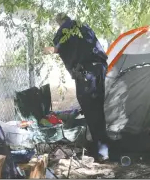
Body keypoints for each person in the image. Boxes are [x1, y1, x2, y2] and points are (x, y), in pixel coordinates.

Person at [44, 13, 110, 162]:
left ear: (59, 22)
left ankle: (102, 154)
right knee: (98, 110)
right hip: (99, 70)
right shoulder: (83, 26)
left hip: (87, 74)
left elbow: (57, 48)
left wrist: (48, 49)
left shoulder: (65, 29)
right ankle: (103, 148)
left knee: (91, 111)